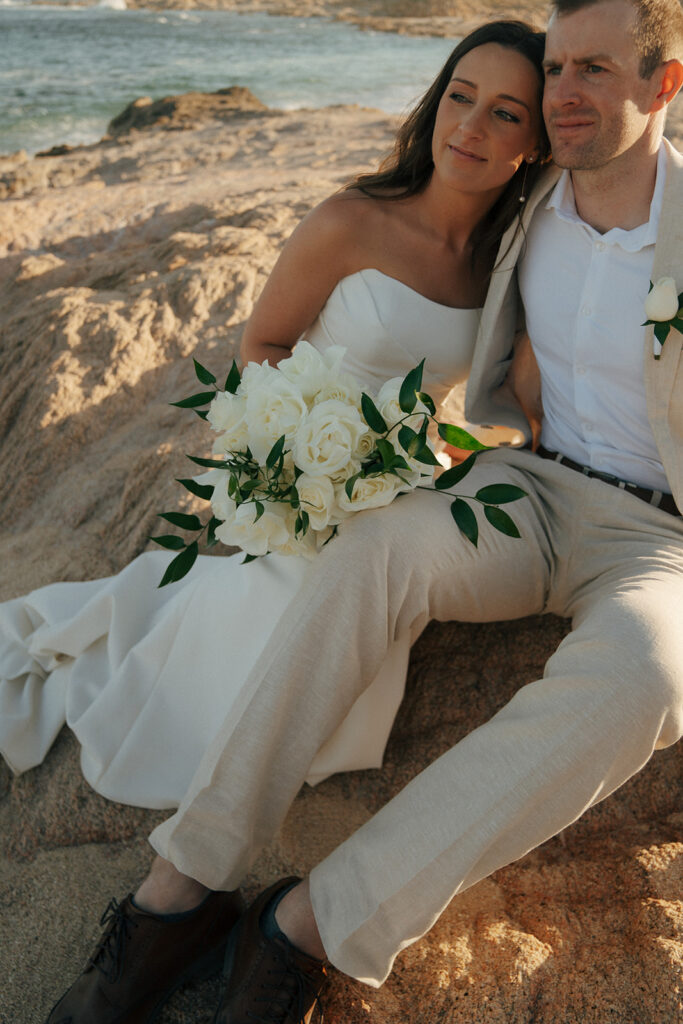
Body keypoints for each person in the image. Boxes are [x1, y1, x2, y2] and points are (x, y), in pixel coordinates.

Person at [117, 2, 681, 1021]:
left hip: (662, 539)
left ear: (661, 85)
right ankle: (181, 885)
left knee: (645, 675)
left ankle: (315, 920)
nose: (561, 95)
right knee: (378, 546)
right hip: (530, 487)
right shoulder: (528, 204)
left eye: (593, 70)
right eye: (554, 70)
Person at [0, 19, 550, 1022]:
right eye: (460, 95)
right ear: (436, 99)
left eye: (504, 111)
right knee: (279, 618)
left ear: (531, 140)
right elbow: (261, 344)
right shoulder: (351, 219)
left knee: (365, 596)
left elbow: (495, 409)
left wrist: (453, 459)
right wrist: (287, 458)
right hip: (293, 469)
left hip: (394, 482)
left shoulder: (503, 265)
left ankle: (201, 898)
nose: (470, 124)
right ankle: (189, 890)